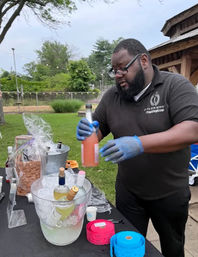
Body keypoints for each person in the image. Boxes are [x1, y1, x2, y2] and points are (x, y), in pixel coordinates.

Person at [76, 38, 198, 257]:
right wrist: (88, 132)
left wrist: (140, 144)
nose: (118, 75)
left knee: (173, 248)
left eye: (123, 68)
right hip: (129, 192)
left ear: (143, 60)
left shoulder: (174, 85)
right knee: (127, 248)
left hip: (169, 193)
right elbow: (98, 128)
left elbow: (192, 129)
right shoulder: (113, 96)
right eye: (114, 70)